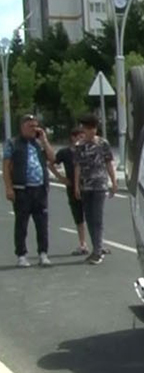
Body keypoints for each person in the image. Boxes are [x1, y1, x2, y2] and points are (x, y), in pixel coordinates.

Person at [3, 113, 58, 267]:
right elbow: (6, 167)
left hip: (40, 189)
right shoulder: (12, 143)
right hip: (22, 189)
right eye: (30, 126)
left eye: (35, 126)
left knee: (42, 223)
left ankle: (43, 253)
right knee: (21, 223)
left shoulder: (39, 143)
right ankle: (21, 254)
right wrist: (8, 188)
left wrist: (44, 140)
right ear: (22, 127)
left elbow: (53, 159)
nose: (34, 129)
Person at [73, 112, 117, 265]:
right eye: (86, 128)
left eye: (92, 128)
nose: (89, 131)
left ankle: (98, 251)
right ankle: (95, 248)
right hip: (86, 186)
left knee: (97, 218)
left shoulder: (103, 144)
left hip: (99, 185)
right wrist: (76, 185)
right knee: (90, 218)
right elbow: (77, 166)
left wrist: (114, 181)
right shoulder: (79, 146)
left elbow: (109, 163)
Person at [54, 125, 89, 255]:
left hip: (88, 186)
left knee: (92, 216)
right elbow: (52, 163)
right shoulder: (65, 152)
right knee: (78, 216)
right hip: (73, 187)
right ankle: (82, 243)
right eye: (79, 137)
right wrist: (61, 178)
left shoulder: (87, 150)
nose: (82, 139)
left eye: (83, 136)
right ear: (73, 138)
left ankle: (97, 243)